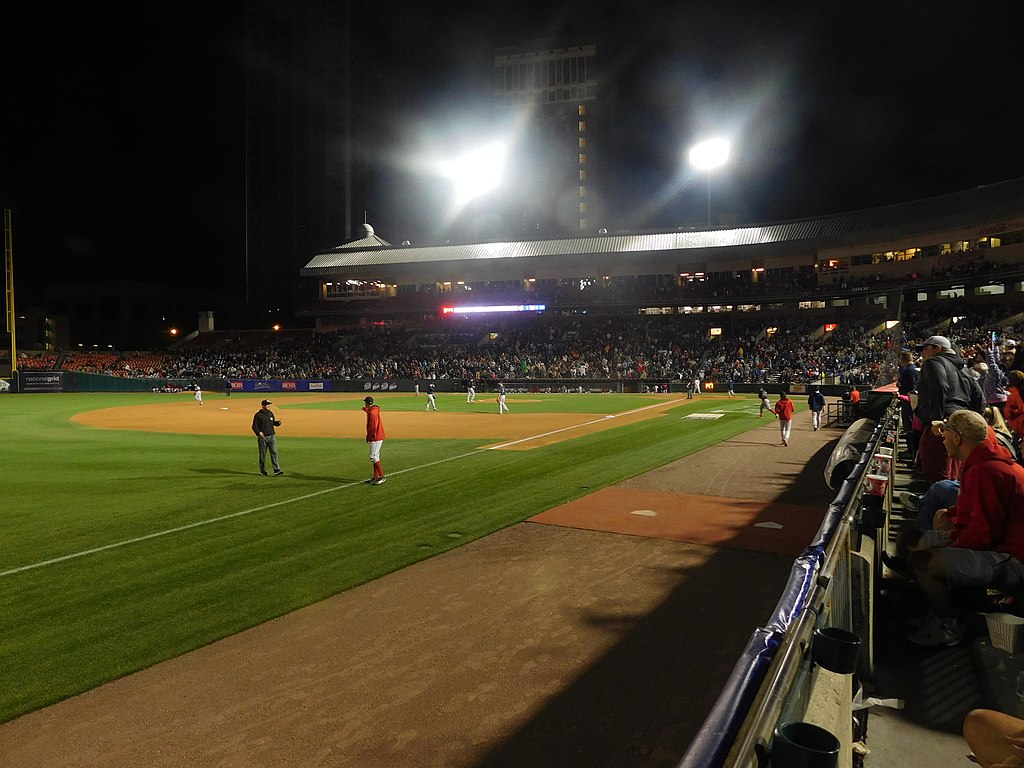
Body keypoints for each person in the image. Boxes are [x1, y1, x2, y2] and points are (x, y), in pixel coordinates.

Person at [897, 409, 1024, 646]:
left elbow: (984, 535)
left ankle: (947, 626)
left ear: (957, 439)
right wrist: (952, 520)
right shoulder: (984, 461)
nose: (942, 438)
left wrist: (952, 544)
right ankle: (935, 611)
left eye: (945, 433)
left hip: (1014, 559)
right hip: (1003, 547)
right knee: (908, 541)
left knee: (922, 562)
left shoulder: (986, 470)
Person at [914, 335, 982, 484]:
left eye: (926, 348)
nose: (923, 353)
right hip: (958, 423)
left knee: (936, 471)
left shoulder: (934, 361)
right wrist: (972, 421)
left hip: (941, 423)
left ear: (937, 349)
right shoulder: (963, 369)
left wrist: (936, 420)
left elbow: (939, 386)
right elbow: (978, 396)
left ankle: (938, 504)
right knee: (953, 472)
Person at [251, 399, 283, 476]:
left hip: (272, 435)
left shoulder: (270, 413)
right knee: (262, 454)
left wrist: (278, 423)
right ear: (262, 406)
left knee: (274, 452)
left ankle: (276, 470)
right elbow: (254, 427)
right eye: (266, 405)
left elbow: (272, 423)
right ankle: (263, 471)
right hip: (263, 437)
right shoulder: (258, 415)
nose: (268, 406)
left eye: (269, 404)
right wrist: (259, 433)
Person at [363, 395, 387, 485]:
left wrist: (369, 437)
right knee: (375, 456)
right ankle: (375, 477)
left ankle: (381, 476)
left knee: (373, 456)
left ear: (367, 403)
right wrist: (366, 410)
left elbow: (373, 426)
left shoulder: (372, 413)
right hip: (377, 435)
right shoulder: (373, 410)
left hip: (376, 436)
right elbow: (371, 413)